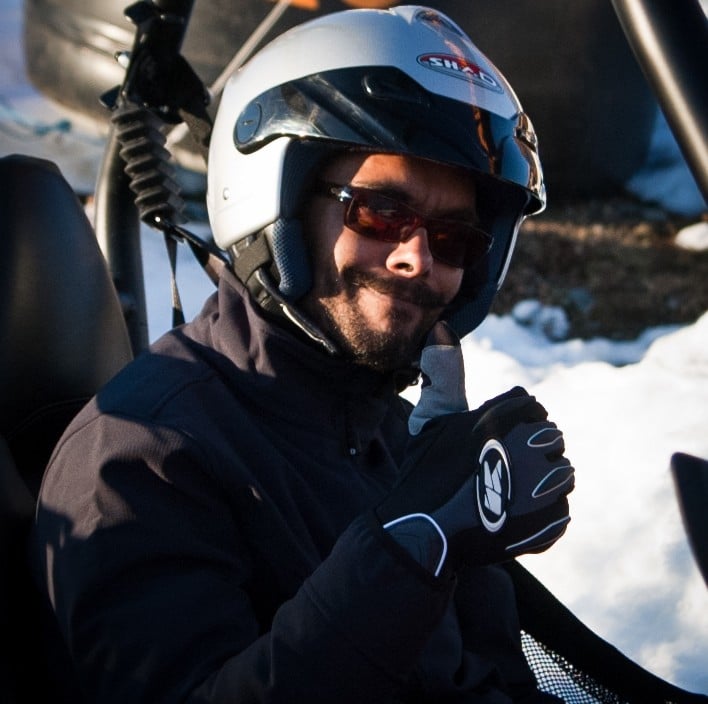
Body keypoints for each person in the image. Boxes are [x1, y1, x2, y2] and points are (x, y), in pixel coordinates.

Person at [31, 6, 574, 703]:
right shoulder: (142, 458)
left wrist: (471, 546)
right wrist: (412, 545)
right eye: (380, 214)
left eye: (454, 239)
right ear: (277, 203)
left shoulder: (391, 437)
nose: (416, 258)